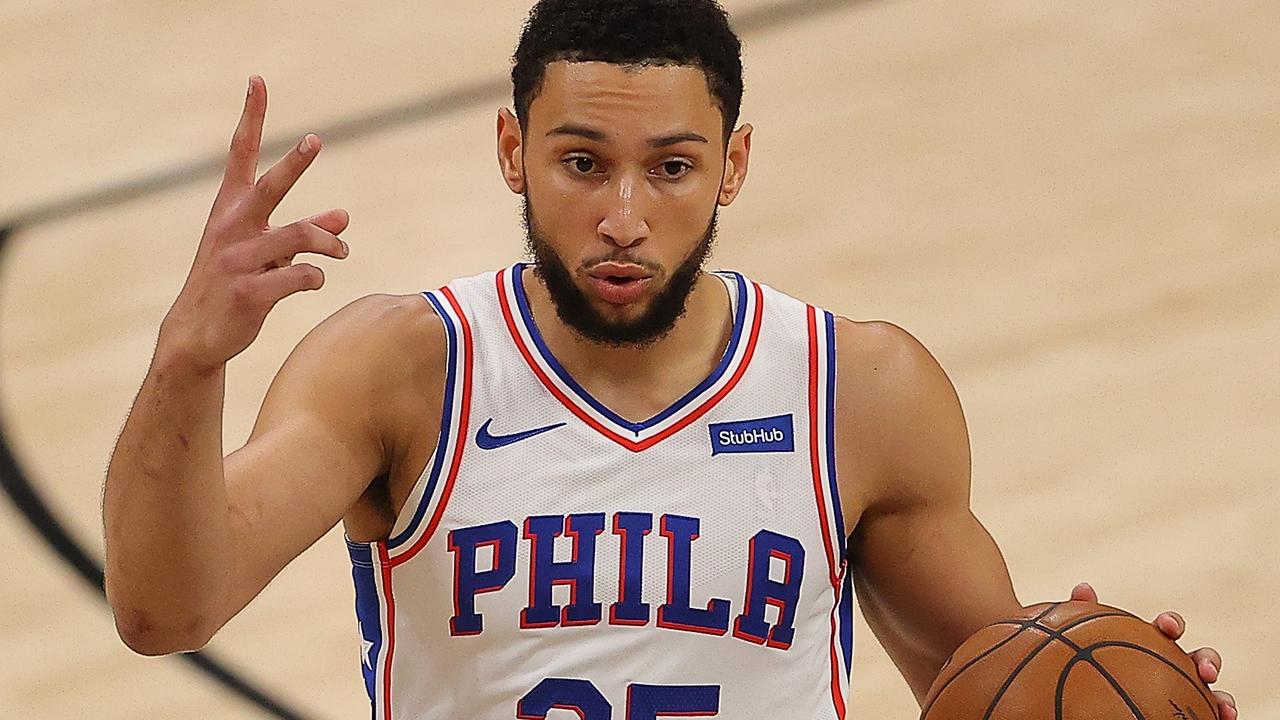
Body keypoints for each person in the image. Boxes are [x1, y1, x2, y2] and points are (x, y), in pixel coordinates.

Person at [101, 1, 1238, 718]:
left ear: (733, 165)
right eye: (583, 163)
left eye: (673, 167)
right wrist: (184, 367)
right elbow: (163, 611)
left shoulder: (858, 394)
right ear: (512, 150)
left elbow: (989, 685)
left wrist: (1113, 680)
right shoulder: (402, 371)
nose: (625, 216)